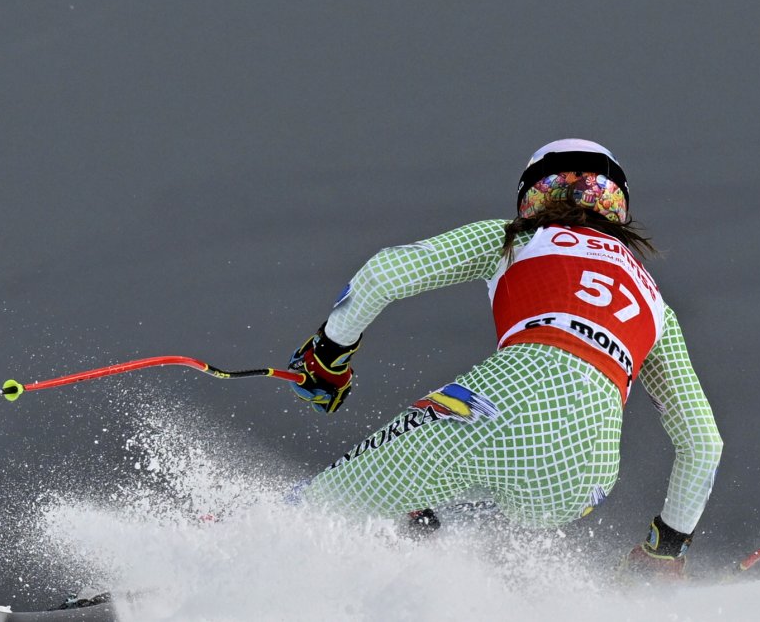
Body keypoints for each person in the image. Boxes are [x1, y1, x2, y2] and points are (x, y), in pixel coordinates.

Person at [287, 138, 722, 576]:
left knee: (313, 514)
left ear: (532, 193)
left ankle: (242, 548)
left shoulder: (519, 238)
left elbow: (384, 274)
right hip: (585, 478)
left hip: (499, 403)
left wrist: (329, 354)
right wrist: (665, 546)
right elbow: (703, 444)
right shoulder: (655, 305)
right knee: (449, 526)